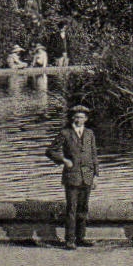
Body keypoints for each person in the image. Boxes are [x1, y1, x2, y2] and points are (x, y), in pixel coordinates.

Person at [45, 103, 99, 249]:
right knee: (71, 209)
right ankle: (70, 240)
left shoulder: (89, 134)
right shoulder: (65, 133)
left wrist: (96, 175)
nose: (78, 120)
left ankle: (81, 237)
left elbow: (94, 154)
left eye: (81, 117)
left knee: (84, 209)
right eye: (76, 117)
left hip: (87, 176)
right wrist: (63, 160)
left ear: (86, 119)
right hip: (72, 176)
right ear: (72, 118)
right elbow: (50, 151)